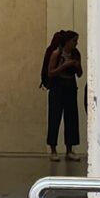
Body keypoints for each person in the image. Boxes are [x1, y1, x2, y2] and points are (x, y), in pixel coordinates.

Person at [41, 30, 83, 163]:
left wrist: (77, 66)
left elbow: (80, 74)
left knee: (71, 118)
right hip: (57, 88)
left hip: (71, 87)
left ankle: (69, 150)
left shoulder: (75, 54)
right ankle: (53, 150)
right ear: (67, 41)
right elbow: (50, 72)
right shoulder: (56, 53)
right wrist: (64, 66)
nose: (76, 43)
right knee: (54, 118)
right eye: (74, 41)